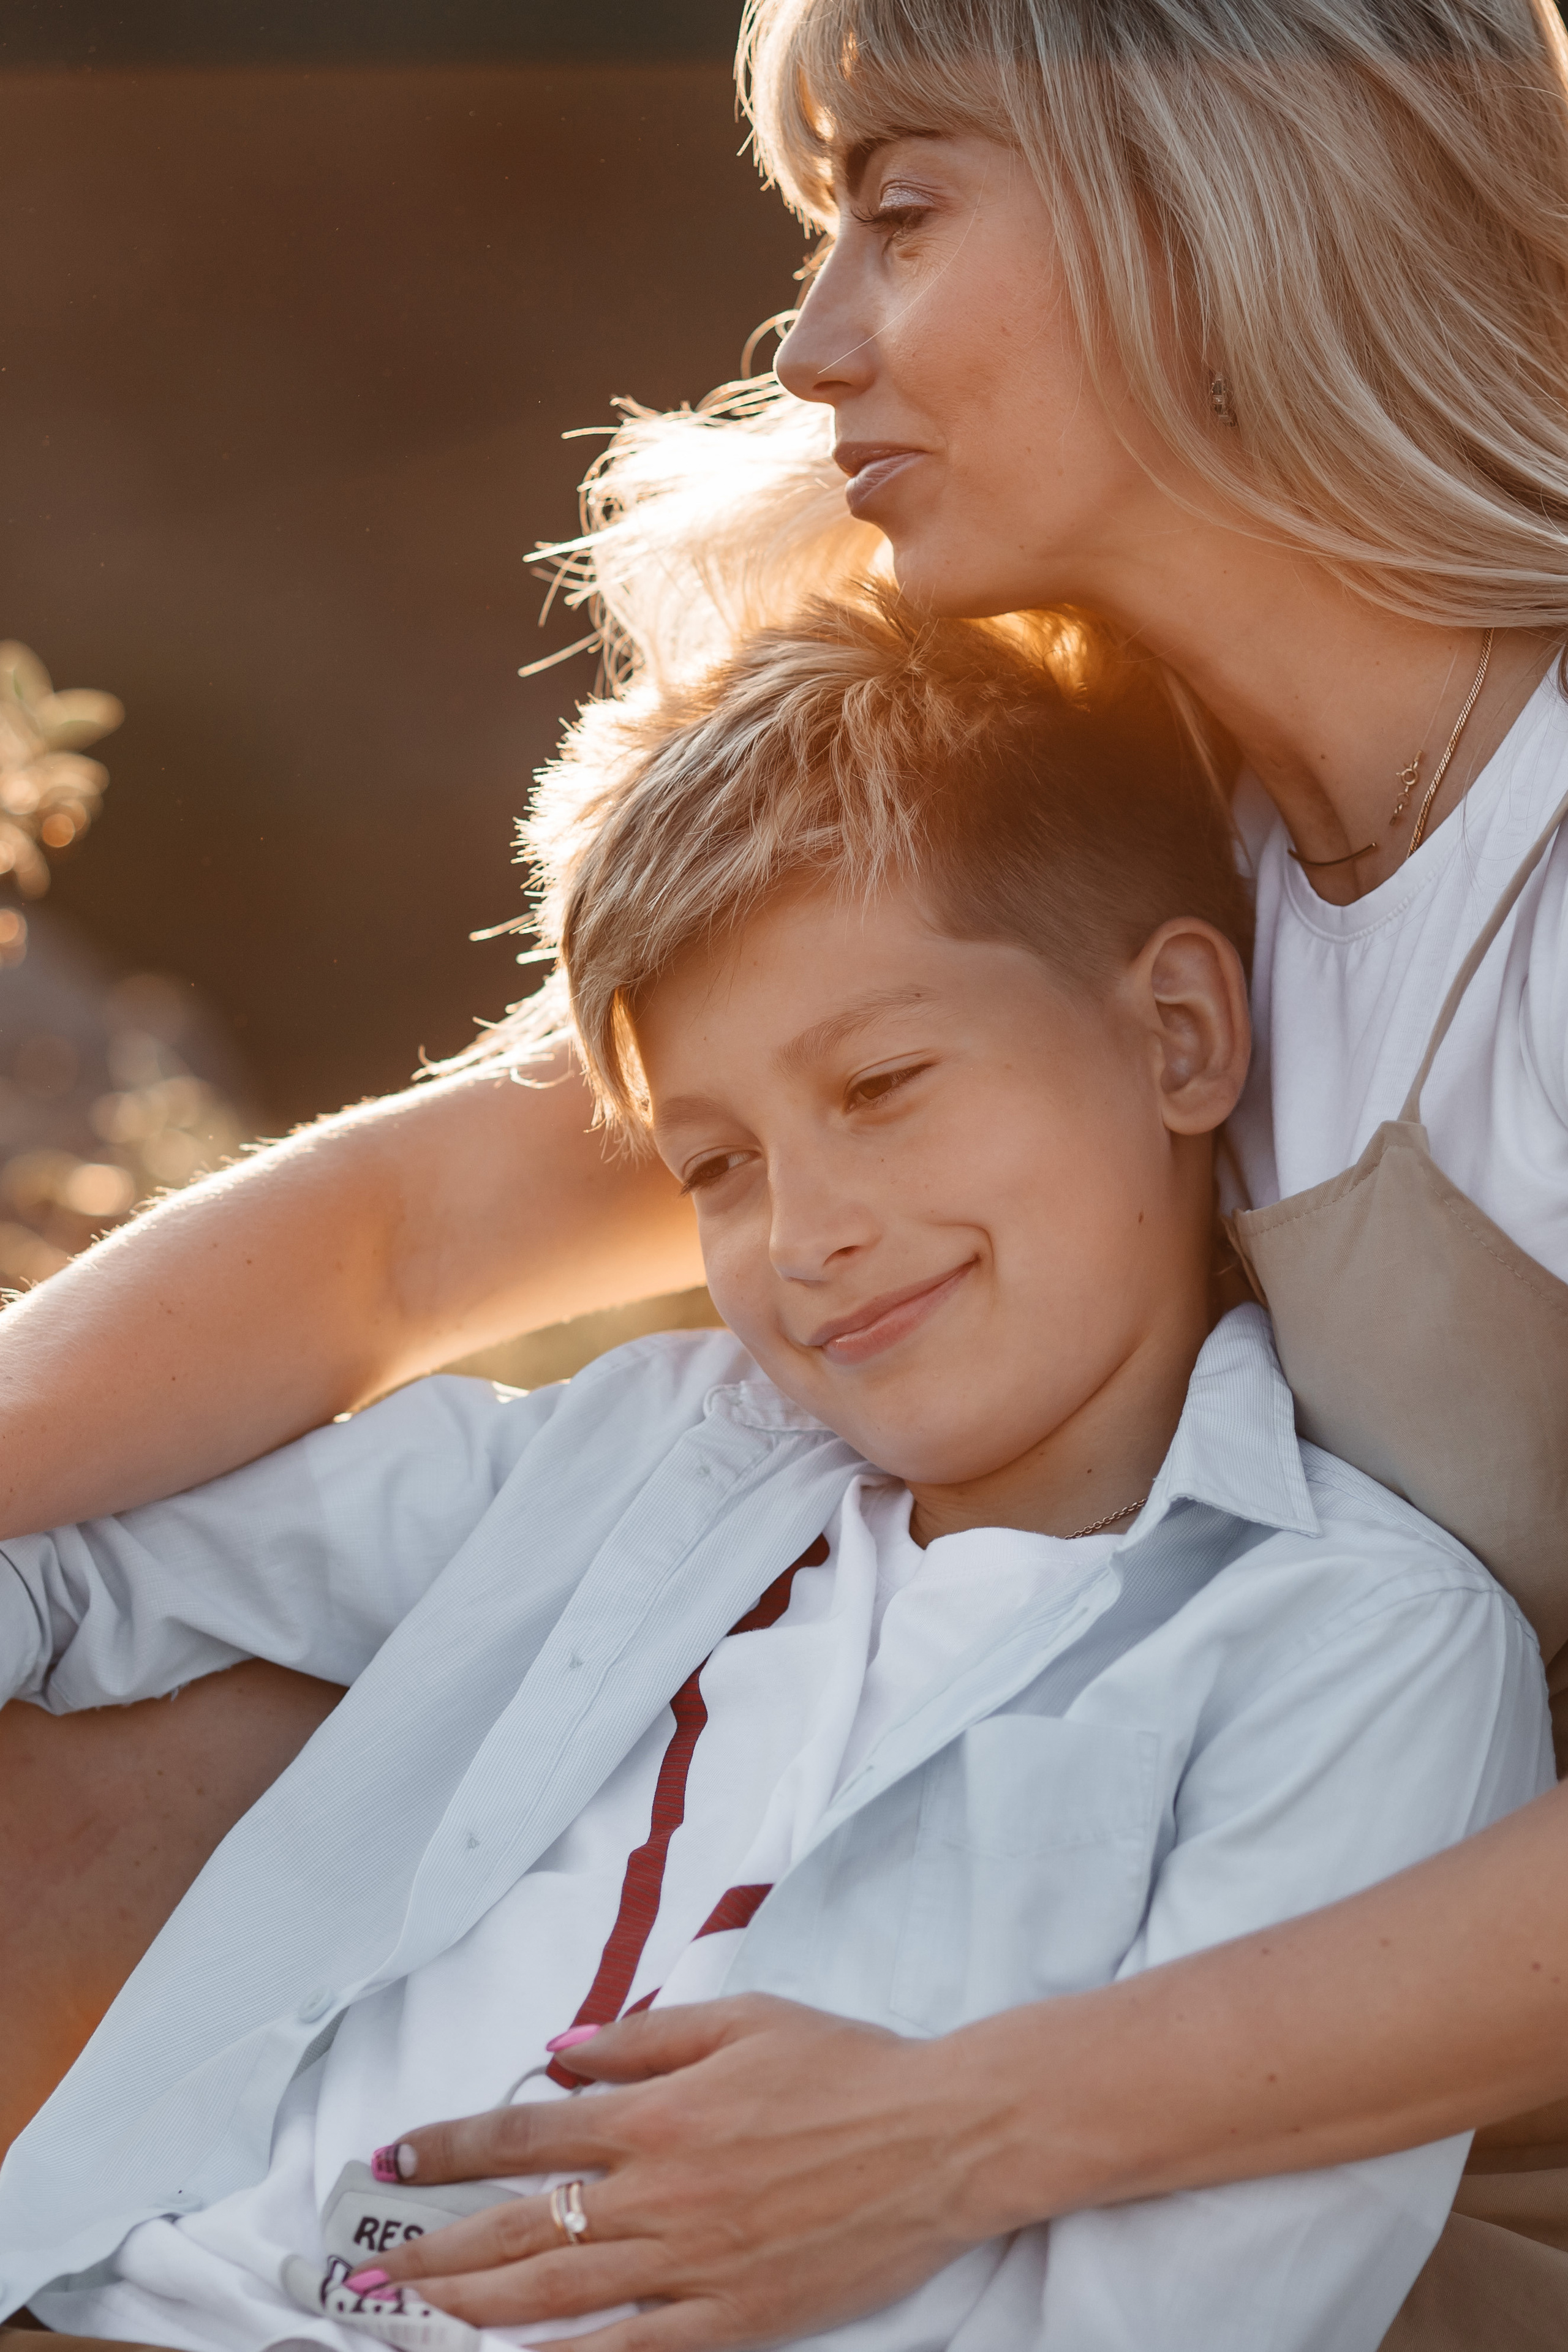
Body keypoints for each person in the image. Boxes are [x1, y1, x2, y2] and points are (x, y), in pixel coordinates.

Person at [6, 0, 1568, 2345]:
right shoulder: (1125, 806)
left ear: (1214, 198)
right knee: (171, 1715)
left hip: (1304, 2113)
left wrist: (952, 2127)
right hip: (1003, 2009)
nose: (816, 343)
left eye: (901, 212)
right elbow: (415, 1233)